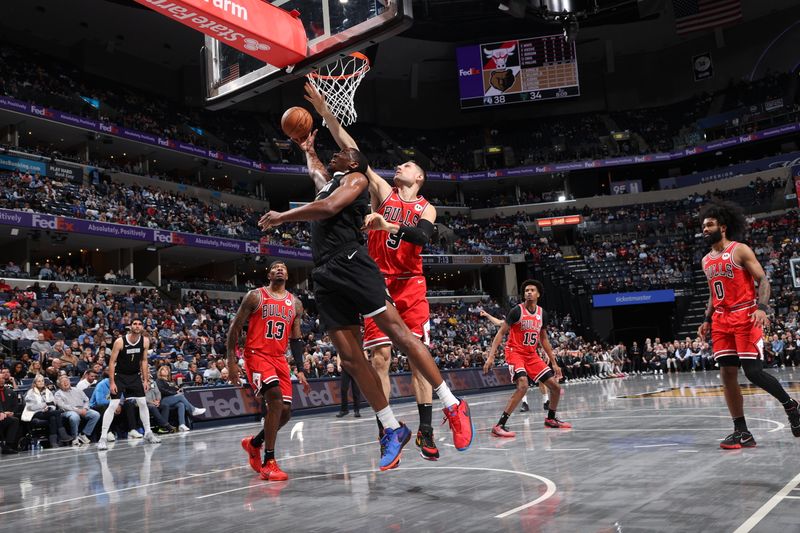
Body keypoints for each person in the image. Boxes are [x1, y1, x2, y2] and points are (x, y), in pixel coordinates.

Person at [258, 131, 473, 470]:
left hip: (355, 263)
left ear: (354, 162)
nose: (335, 155)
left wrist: (282, 216)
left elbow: (328, 207)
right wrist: (308, 149)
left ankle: (450, 405)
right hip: (326, 272)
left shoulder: (358, 180)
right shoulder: (333, 182)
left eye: (341, 153)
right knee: (353, 359)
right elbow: (317, 176)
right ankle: (391, 427)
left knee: (403, 337)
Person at [305, 83, 442, 460]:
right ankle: (388, 429)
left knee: (416, 357)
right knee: (378, 359)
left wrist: (387, 227)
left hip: (411, 286)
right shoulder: (383, 190)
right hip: (377, 282)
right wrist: (325, 113)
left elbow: (422, 236)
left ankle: (426, 430)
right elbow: (351, 148)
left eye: (408, 165)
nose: (400, 166)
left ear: (419, 179)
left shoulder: (427, 207)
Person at [698, 200, 800, 448]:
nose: (704, 229)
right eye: (702, 226)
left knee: (752, 372)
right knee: (727, 374)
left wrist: (762, 309)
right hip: (721, 320)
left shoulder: (739, 250)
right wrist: (706, 320)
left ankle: (791, 405)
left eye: (709, 225)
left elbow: (763, 280)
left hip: (745, 315)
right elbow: (713, 293)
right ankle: (742, 431)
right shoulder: (705, 261)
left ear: (722, 227)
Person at [227, 261, 310, 481]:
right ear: (269, 274)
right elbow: (235, 326)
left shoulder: (295, 303)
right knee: (274, 399)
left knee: (285, 412)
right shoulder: (255, 296)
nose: (280, 269)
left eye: (283, 267)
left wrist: (300, 368)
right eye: (275, 267)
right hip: (256, 354)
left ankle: (254, 444)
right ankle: (269, 462)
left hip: (279, 358)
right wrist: (231, 360)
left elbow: (296, 338)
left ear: (288, 274)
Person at [483, 280, 571, 437]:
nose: (529, 292)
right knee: (523, 385)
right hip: (515, 352)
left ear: (538, 294)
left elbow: (543, 339)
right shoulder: (516, 311)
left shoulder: (542, 314)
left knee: (556, 388)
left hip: (532, 355)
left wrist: (554, 363)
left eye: (532, 290)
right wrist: (491, 357)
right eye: (526, 290)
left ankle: (551, 419)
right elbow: (501, 333)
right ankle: (499, 426)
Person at [96, 319, 160, 450]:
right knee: (113, 405)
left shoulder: (145, 341)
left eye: (139, 324)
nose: (137, 326)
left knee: (142, 403)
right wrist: (112, 382)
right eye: (135, 324)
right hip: (120, 376)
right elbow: (112, 362)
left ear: (142, 327)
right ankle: (102, 438)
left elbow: (143, 360)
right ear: (130, 326)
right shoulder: (120, 342)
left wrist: (145, 380)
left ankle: (148, 432)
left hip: (135, 376)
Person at [480, 308, 550, 413]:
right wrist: (487, 315)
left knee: (542, 379)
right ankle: (524, 402)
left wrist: (546, 352)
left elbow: (542, 338)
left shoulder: (535, 322)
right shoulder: (515, 320)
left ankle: (546, 401)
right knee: (521, 380)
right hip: (517, 353)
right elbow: (499, 322)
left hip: (531, 352)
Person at [22, 374, 73, 447]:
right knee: (58, 412)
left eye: (42, 381)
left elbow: (53, 403)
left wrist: (49, 408)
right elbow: (31, 407)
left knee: (53, 418)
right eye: (39, 381)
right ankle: (62, 434)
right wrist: (44, 405)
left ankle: (53, 442)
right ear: (35, 383)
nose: (41, 382)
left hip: (47, 412)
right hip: (34, 413)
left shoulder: (48, 391)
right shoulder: (30, 393)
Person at [155, 365, 205, 432]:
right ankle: (193, 410)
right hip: (163, 400)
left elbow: (175, 388)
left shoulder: (170, 381)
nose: (165, 371)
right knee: (180, 396)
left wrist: (178, 390)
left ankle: (182, 425)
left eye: (167, 370)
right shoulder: (159, 380)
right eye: (163, 370)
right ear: (160, 372)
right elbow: (162, 390)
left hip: (172, 399)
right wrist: (175, 393)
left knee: (181, 404)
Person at [54, 375, 99, 445]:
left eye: (67, 381)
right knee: (75, 417)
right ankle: (75, 437)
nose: (65, 383)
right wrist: (77, 410)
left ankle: (84, 434)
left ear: (69, 382)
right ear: (59, 384)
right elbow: (62, 405)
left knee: (96, 414)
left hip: (82, 409)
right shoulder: (58, 394)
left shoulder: (77, 390)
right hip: (67, 411)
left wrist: (85, 408)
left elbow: (87, 400)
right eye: (63, 382)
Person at [336, 353, 361, 418]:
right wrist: (338, 365)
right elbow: (339, 353)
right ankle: (344, 410)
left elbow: (364, 353)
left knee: (356, 390)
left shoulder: (357, 343)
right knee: (343, 389)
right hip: (345, 367)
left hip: (356, 368)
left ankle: (357, 410)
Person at [0, 373, 20, 453]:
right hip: (1, 415)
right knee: (14, 421)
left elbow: (15, 405)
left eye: (2, 379)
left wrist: (12, 412)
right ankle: (8, 445)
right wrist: (2, 412)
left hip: (7, 416)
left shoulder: (10, 392)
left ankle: (11, 445)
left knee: (16, 419)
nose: (1, 380)